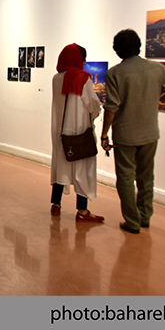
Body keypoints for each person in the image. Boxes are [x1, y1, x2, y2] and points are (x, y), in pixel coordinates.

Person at [101, 29, 165, 234]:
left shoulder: (115, 73)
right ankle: (145, 217)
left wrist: (104, 134)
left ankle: (132, 221)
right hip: (149, 133)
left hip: (125, 134)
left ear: (117, 50)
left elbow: (112, 106)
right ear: (138, 46)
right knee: (146, 177)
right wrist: (159, 99)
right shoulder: (157, 68)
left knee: (126, 178)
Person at [50, 44, 104, 222]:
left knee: (61, 165)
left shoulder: (56, 78)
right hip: (80, 133)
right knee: (83, 170)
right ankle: (82, 211)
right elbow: (92, 105)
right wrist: (97, 113)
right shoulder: (83, 78)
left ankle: (56, 205)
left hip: (61, 133)